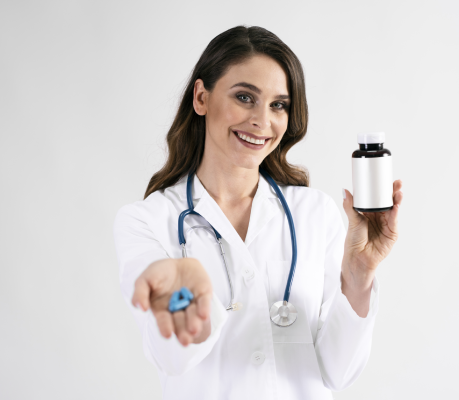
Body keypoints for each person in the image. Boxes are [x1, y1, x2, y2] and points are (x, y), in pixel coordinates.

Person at [113, 25, 403, 400]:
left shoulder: (314, 214)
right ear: (201, 97)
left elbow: (338, 372)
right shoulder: (147, 222)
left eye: (278, 104)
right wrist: (194, 296)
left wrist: (360, 278)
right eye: (245, 97)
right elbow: (172, 358)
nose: (262, 121)